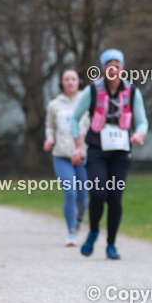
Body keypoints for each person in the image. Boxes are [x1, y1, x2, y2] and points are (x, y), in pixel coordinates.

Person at [70, 50, 148, 260]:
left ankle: (111, 244)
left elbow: (142, 121)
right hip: (97, 150)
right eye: (109, 66)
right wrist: (78, 146)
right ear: (104, 68)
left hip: (121, 152)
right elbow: (75, 118)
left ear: (123, 68)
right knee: (98, 193)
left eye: (118, 65)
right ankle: (93, 231)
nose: (114, 70)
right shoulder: (92, 90)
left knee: (115, 197)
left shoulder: (132, 91)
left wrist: (139, 134)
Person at [45, 67, 90, 246]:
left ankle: (79, 218)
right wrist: (49, 138)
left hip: (83, 156)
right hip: (62, 155)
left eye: (73, 79)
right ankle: (71, 232)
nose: (70, 82)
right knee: (70, 192)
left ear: (79, 81)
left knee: (83, 198)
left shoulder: (87, 99)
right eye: (66, 79)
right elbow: (50, 126)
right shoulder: (54, 105)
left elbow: (94, 122)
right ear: (62, 83)